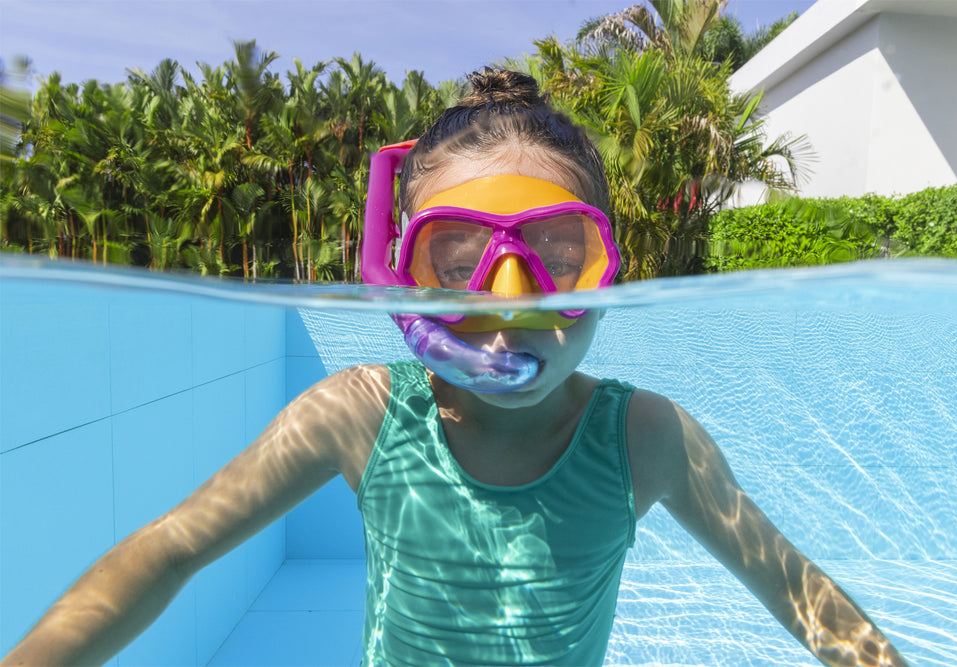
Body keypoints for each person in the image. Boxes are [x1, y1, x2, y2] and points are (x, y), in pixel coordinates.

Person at [2, 68, 908, 667]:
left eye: (557, 253)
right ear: (403, 280)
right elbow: (169, 549)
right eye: (457, 258)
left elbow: (799, 593)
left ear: (608, 270)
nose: (508, 301)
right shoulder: (360, 414)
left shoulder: (644, 438)